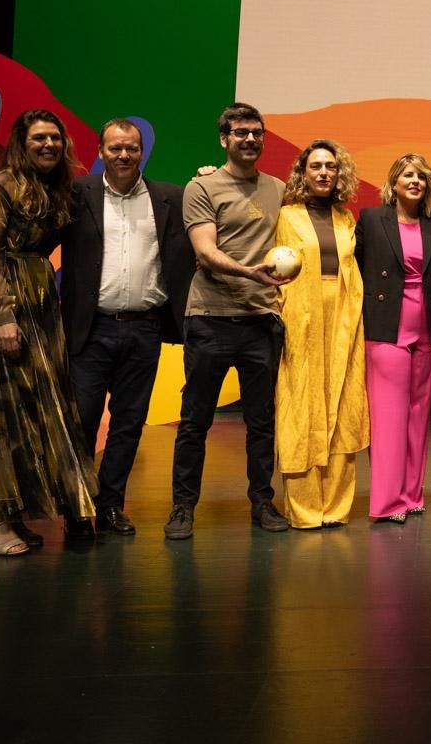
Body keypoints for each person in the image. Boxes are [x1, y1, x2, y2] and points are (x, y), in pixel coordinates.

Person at [0, 108, 96, 554]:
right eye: (39, 138)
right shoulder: (0, 187)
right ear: (22, 142)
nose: (49, 145)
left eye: (55, 138)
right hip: (2, 305)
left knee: (33, 413)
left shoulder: (55, 189)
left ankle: (17, 514)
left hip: (40, 305)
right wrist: (3, 316)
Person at [61, 118, 193, 537]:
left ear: (142, 152)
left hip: (144, 330)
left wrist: (206, 176)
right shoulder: (77, 194)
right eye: (115, 148)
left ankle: (111, 505)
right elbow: (38, 237)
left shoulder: (169, 198)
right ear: (100, 152)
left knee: (128, 422)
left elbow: (210, 216)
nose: (123, 155)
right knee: (81, 420)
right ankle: (78, 509)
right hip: (90, 329)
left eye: (131, 148)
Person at [165, 102, 289, 540]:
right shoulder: (201, 187)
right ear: (224, 139)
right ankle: (182, 508)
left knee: (261, 422)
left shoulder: (278, 188)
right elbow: (204, 252)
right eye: (240, 133)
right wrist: (250, 272)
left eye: (257, 132)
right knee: (196, 420)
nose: (250, 139)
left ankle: (262, 502)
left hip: (261, 321)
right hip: (211, 319)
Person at [273, 139, 369, 528]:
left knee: (344, 404)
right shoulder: (286, 216)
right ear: (303, 172)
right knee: (302, 406)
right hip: (302, 318)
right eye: (316, 166)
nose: (324, 172)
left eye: (330, 166)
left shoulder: (347, 218)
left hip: (344, 317)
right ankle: (306, 507)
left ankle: (337, 506)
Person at [358, 153, 431, 523]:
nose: (415, 181)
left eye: (422, 177)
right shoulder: (372, 219)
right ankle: (387, 502)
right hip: (385, 326)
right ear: (393, 181)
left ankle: (412, 496)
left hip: (426, 328)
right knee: (389, 418)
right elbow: (357, 269)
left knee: (417, 416)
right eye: (408, 175)